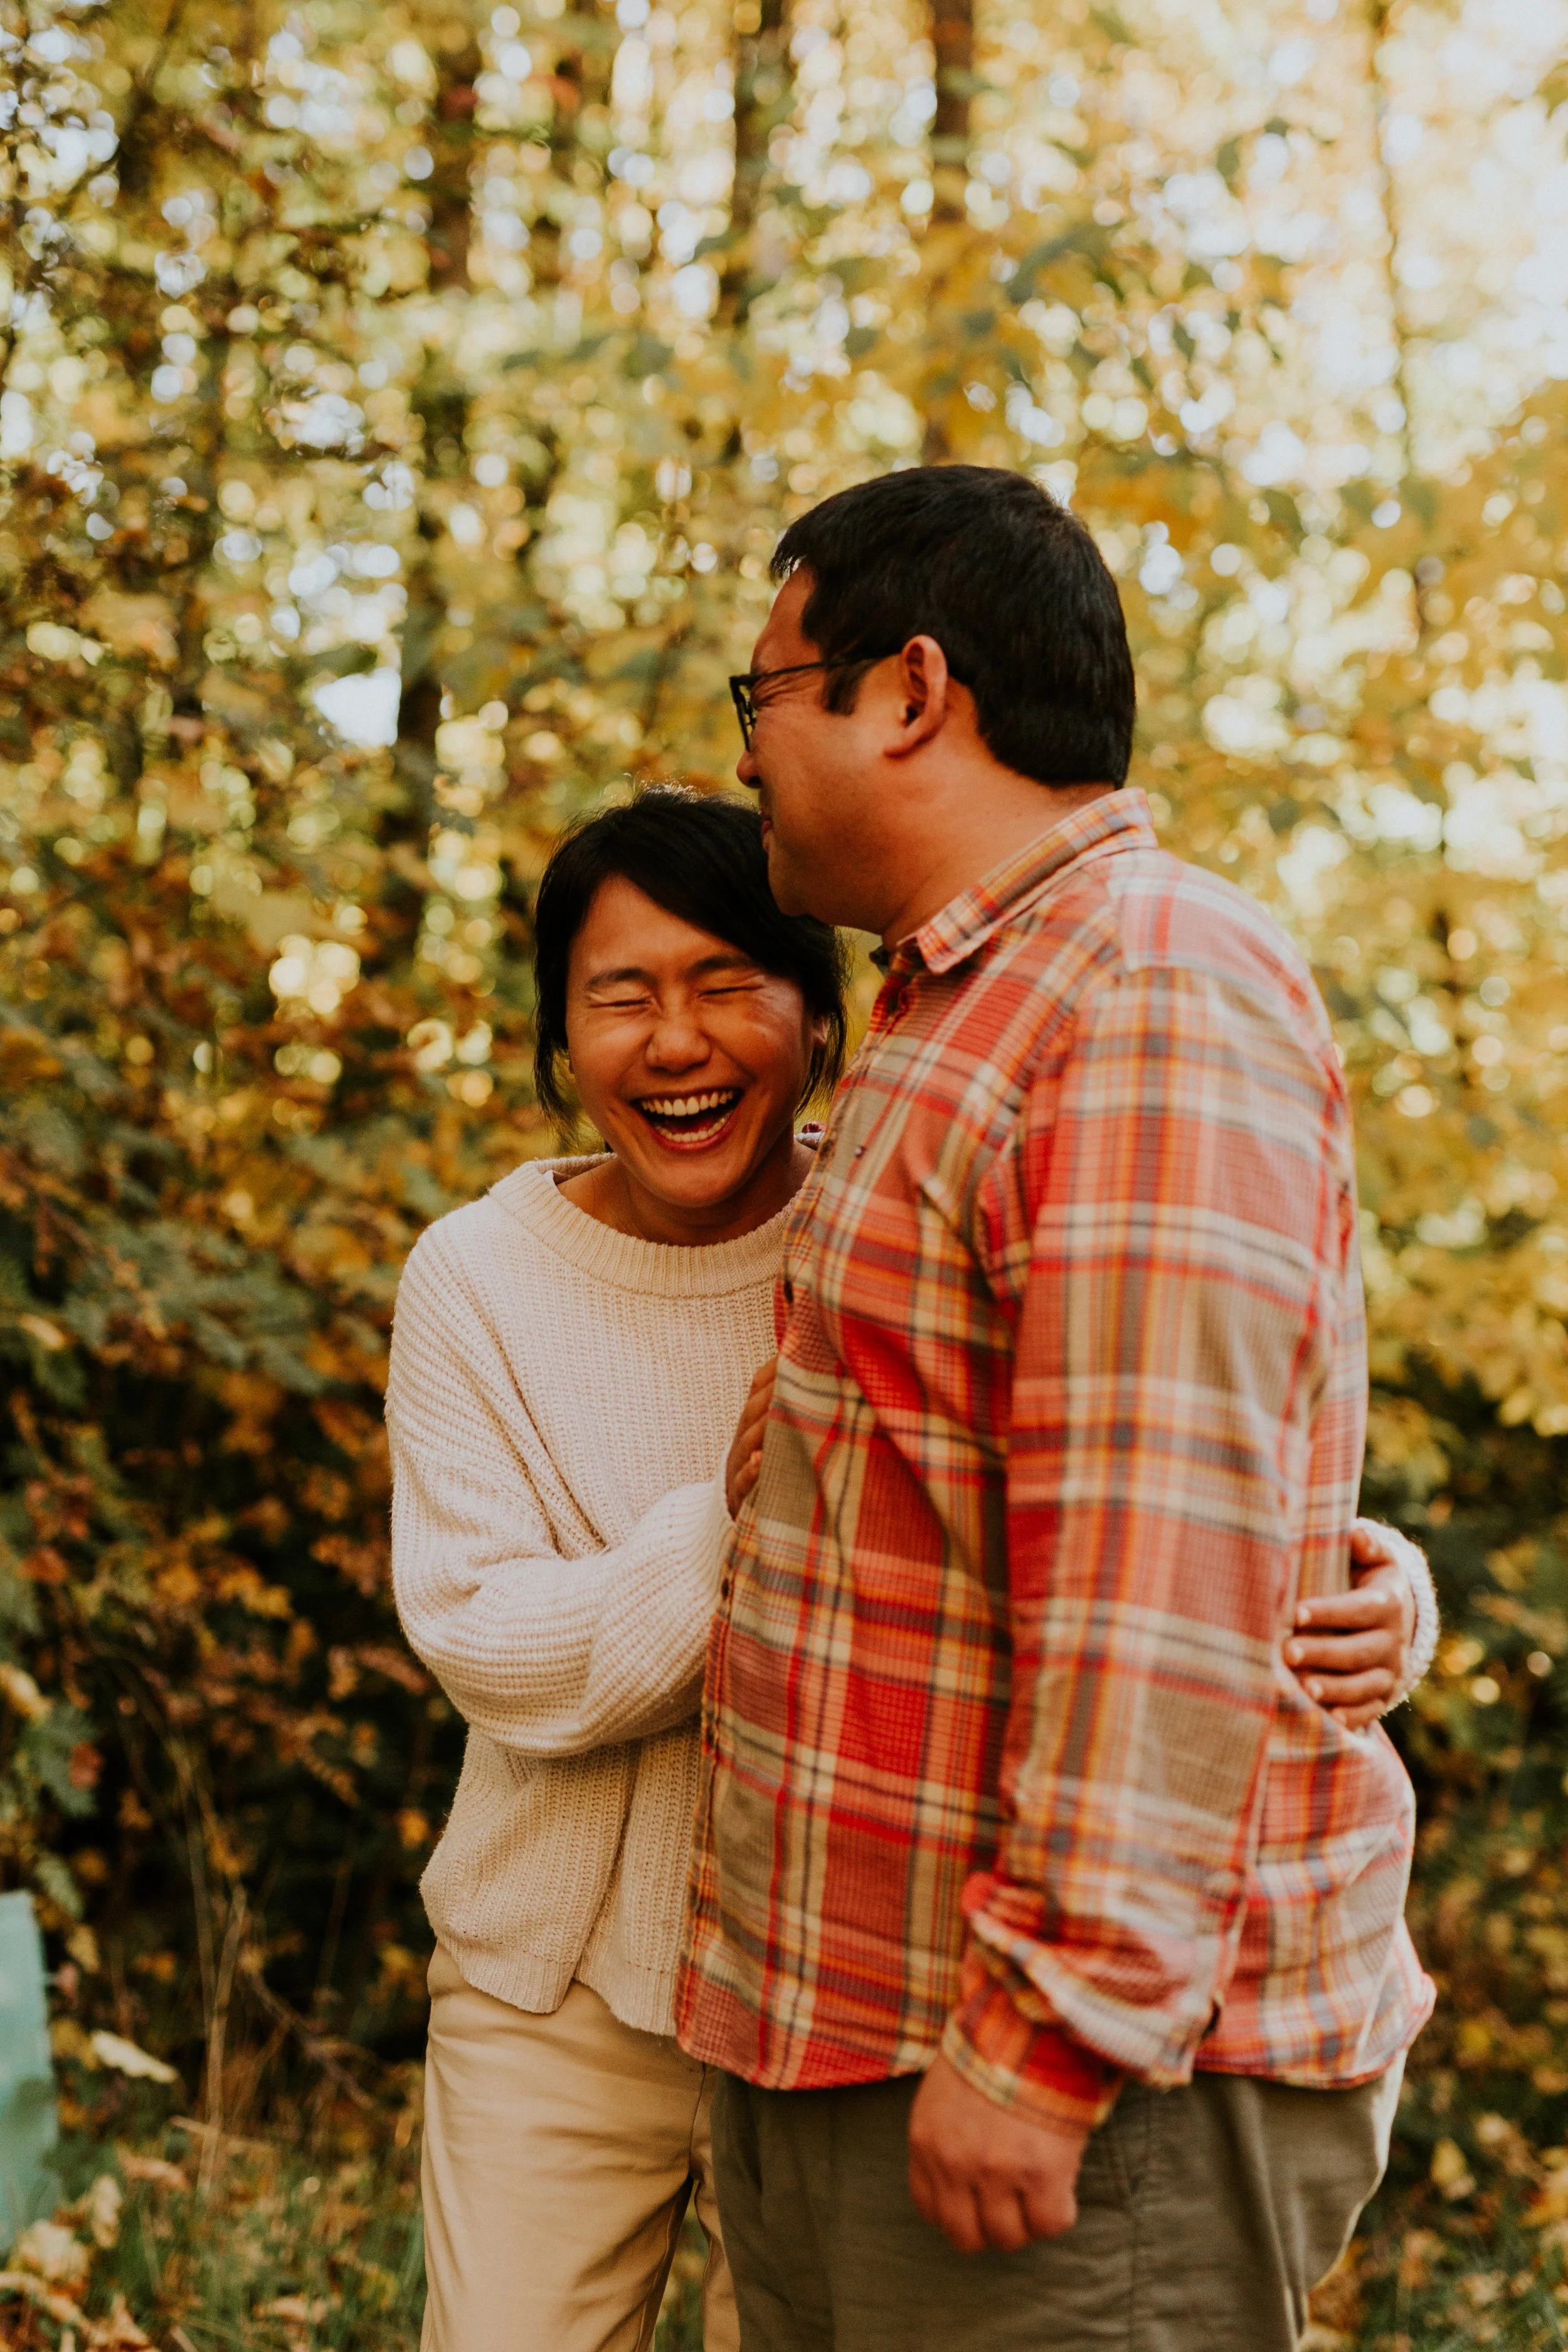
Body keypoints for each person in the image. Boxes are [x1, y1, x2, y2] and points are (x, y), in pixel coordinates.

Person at [388, 790, 1429, 2352]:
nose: (675, 1041)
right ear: (558, 1041)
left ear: (820, 1022)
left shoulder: (887, 1208)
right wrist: (738, 1522)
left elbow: (1138, 1466)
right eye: (619, 997)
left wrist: (1366, 1585)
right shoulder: (476, 1277)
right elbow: (491, 1644)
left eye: (727, 984)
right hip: (565, 1992)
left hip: (856, 1983)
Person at [675, 465, 1438, 2352]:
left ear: (908, 689)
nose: (749, 752)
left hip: (1074, 2096)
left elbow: (1153, 1560)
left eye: (761, 696)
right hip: (857, 2031)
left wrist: (1052, 2029)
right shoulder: (962, 1000)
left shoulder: (1145, 985)